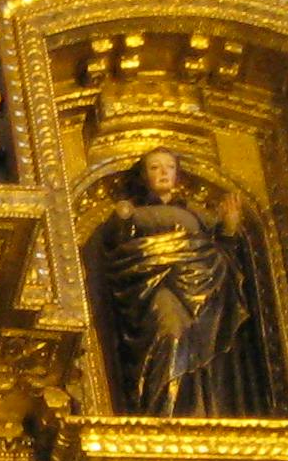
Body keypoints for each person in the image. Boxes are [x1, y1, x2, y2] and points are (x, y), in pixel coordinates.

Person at [88, 149, 268, 417]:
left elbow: (221, 253)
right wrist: (122, 219)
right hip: (155, 286)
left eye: (169, 167)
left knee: (199, 341)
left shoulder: (196, 215)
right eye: (155, 167)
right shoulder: (134, 212)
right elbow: (119, 249)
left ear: (177, 174)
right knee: (170, 333)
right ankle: (161, 412)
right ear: (143, 175)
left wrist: (229, 228)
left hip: (200, 291)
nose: (162, 172)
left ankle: (199, 410)